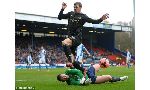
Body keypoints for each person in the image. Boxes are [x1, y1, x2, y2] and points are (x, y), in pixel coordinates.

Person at [58, 2, 109, 72]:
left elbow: (94, 21)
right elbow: (60, 17)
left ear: (80, 7)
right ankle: (83, 71)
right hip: (71, 38)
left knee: (64, 42)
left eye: (76, 7)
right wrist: (62, 9)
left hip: (77, 38)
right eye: (74, 7)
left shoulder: (83, 16)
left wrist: (101, 19)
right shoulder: (70, 14)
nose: (75, 8)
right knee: (73, 63)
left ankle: (70, 59)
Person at [57, 63, 128, 85]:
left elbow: (77, 72)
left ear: (63, 74)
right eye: (63, 78)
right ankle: (120, 78)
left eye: (63, 76)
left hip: (87, 74)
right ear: (63, 81)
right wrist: (85, 79)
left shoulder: (67, 71)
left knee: (96, 65)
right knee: (109, 77)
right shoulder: (70, 82)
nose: (65, 77)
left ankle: (104, 64)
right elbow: (80, 83)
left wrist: (84, 76)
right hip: (91, 79)